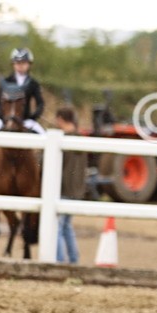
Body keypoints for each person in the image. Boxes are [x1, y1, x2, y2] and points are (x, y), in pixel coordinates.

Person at [0, 48, 46, 189]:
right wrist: (2, 117)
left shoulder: (33, 83)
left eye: (23, 63)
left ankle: (43, 177)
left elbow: (40, 103)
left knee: (46, 141)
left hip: (25, 120)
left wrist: (32, 117)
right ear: (13, 64)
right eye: (17, 63)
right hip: (5, 119)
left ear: (29, 64)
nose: (20, 65)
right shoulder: (6, 81)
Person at [54, 107, 88, 264]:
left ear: (60, 119)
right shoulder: (81, 139)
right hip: (77, 189)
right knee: (67, 226)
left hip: (64, 188)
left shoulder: (63, 140)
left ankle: (59, 260)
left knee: (57, 227)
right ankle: (74, 259)